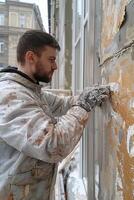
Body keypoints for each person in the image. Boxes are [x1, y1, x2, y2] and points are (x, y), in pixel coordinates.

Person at [0, 30, 110, 200]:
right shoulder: (10, 96)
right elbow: (53, 144)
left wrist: (87, 96)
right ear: (31, 57)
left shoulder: (31, 90)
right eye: (51, 59)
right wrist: (84, 105)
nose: (55, 66)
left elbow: (62, 105)